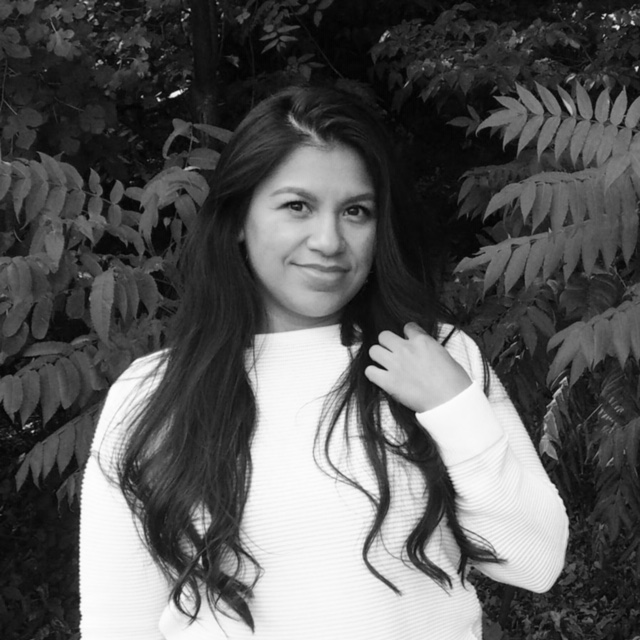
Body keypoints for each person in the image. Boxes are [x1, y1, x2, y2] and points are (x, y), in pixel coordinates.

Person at [79, 85, 569, 640]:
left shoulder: (435, 359)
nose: (329, 241)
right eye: (297, 206)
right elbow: (117, 624)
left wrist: (454, 408)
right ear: (238, 218)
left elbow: (536, 564)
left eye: (356, 211)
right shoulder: (154, 394)